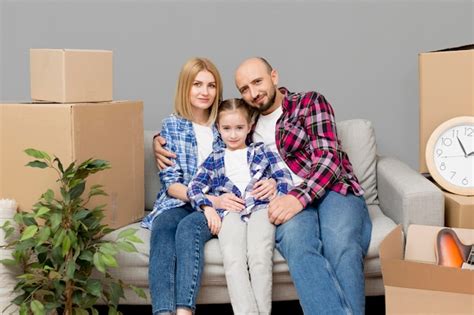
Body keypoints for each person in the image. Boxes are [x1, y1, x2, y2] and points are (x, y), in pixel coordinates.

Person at [154, 57, 372, 315]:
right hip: (284, 199)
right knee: (299, 247)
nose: (253, 93)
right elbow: (212, 134)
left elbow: (329, 159)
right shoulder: (248, 122)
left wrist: (297, 198)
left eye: (258, 82)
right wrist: (158, 140)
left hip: (332, 188)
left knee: (340, 243)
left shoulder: (309, 103)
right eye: (244, 89)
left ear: (274, 77)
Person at [187, 98, 293, 315]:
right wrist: (210, 204)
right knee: (233, 258)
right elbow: (194, 187)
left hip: (261, 208)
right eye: (226, 128)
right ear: (218, 128)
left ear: (249, 127)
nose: (233, 134)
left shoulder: (262, 151)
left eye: (239, 128)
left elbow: (286, 179)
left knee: (259, 256)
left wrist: (274, 185)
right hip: (230, 213)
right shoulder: (215, 158)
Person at [141, 57, 228, 315]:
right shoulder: (172, 126)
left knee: (189, 231)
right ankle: (164, 311)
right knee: (164, 228)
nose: (204, 92)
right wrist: (204, 201)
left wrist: (213, 203)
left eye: (211, 85)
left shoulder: (225, 124)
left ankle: (184, 310)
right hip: (181, 200)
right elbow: (172, 185)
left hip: (218, 204)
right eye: (197, 84)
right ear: (185, 88)